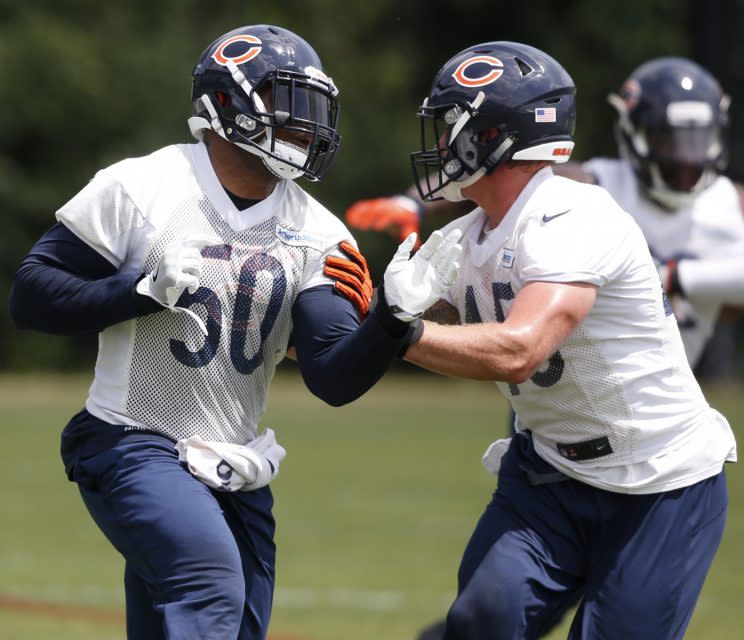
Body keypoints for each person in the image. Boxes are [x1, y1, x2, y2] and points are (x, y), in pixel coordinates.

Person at [8, 24, 460, 640]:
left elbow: (331, 376)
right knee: (208, 584)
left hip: (232, 457)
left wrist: (390, 320)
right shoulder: (143, 186)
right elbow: (31, 296)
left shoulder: (318, 231)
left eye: (313, 108)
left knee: (231, 620)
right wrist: (135, 290)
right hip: (132, 438)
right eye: (288, 105)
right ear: (226, 105)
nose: (306, 126)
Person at [339, 41, 736, 639]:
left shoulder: (573, 218)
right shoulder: (468, 236)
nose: (444, 144)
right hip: (549, 468)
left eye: (455, 126)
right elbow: (374, 334)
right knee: (480, 621)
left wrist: (398, 332)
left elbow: (519, 350)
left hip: (658, 480)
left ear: (495, 136)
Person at [346, 56, 744, 378]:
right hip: (549, 416)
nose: (684, 155)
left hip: (645, 435)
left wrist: (679, 280)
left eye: (696, 139)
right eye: (668, 139)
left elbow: (518, 351)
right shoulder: (594, 182)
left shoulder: (572, 209)